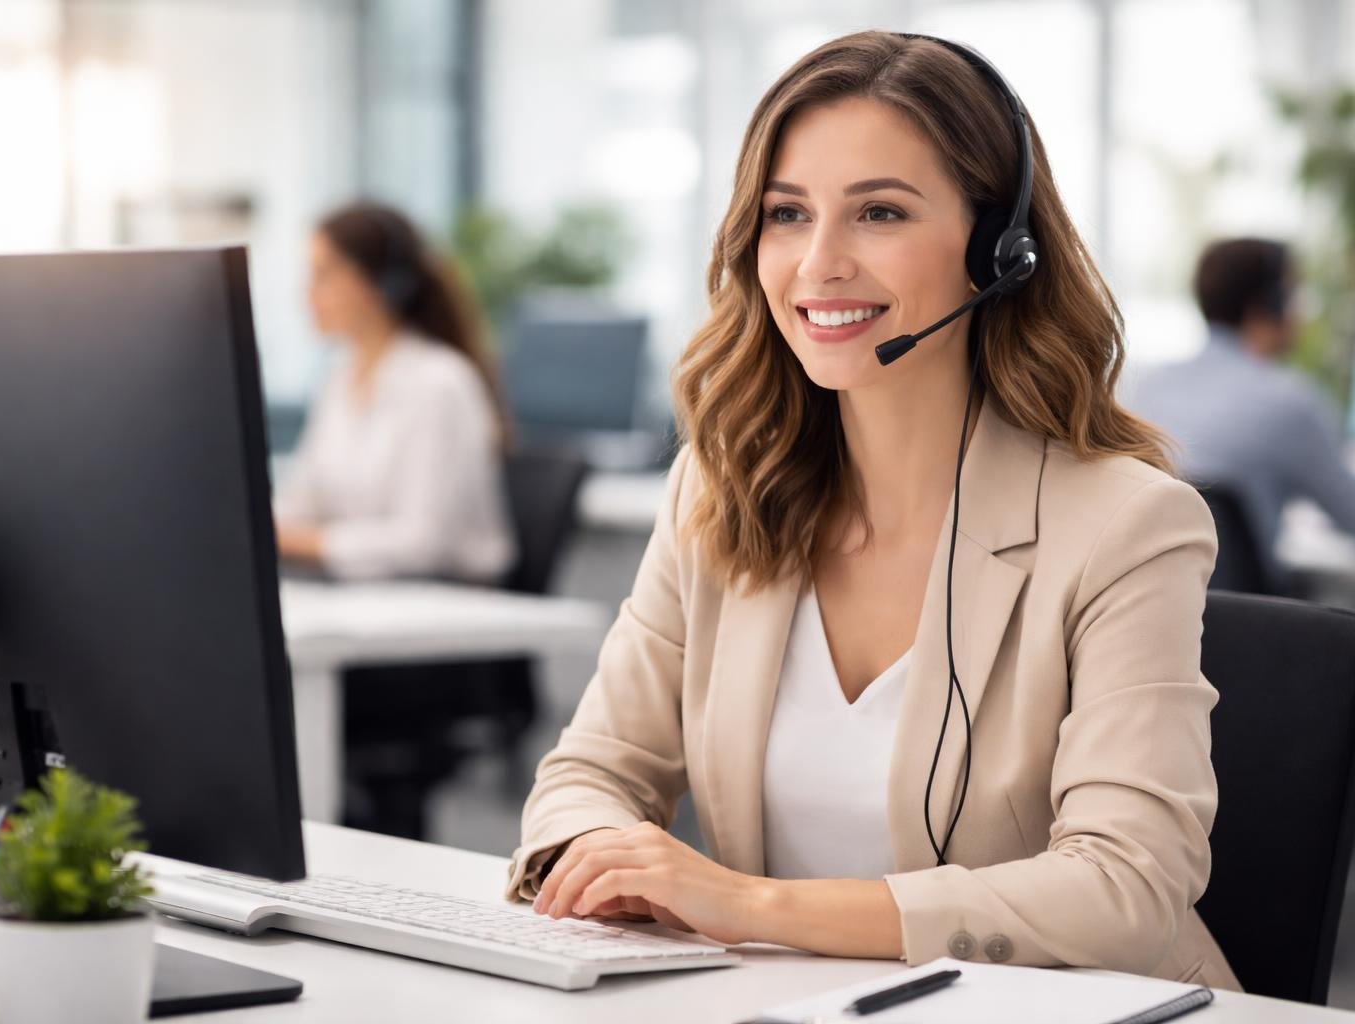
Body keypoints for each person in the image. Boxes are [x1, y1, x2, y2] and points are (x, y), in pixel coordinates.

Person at [505, 31, 1239, 990]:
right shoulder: (722, 490)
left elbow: (1128, 886)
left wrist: (746, 904)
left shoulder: (1126, 525)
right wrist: (601, 856)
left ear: (998, 250)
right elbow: (589, 773)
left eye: (879, 212)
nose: (820, 263)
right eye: (786, 214)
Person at [1129, 237, 1355, 582]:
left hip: (1164, 608)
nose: (1302, 311)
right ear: (1271, 304)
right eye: (1296, 296)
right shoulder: (1288, 402)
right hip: (1252, 621)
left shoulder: (1148, 387)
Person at [274, 201, 515, 583]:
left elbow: (425, 541)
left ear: (380, 282)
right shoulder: (341, 378)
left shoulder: (438, 382)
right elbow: (305, 497)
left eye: (324, 274)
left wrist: (309, 543)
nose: (307, 293)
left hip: (448, 600)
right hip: (374, 595)